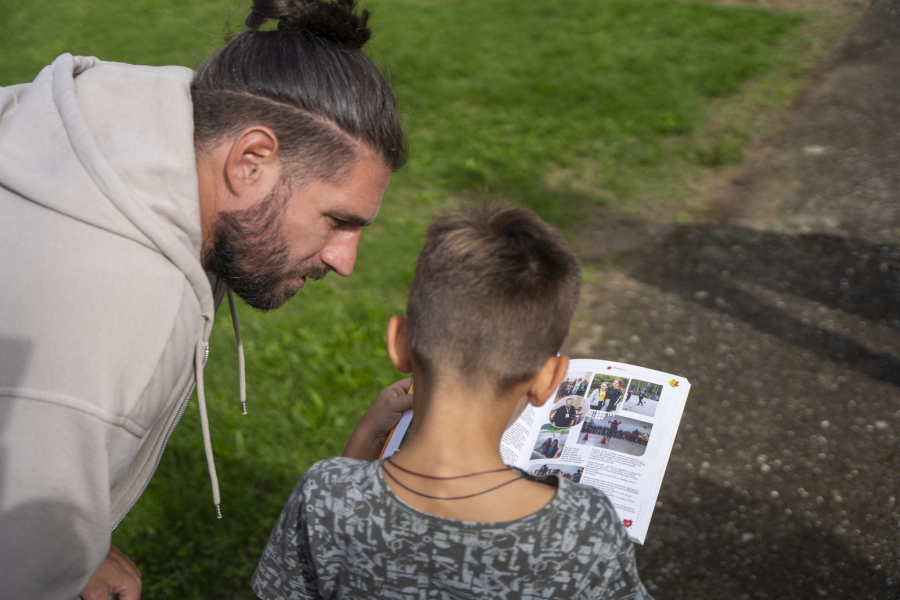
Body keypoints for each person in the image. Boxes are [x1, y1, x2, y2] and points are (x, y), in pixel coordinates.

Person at [0, 1, 414, 598]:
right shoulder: (121, 321)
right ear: (251, 161)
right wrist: (45, 559)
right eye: (337, 220)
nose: (344, 261)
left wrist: (70, 535)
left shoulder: (117, 123)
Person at [252, 205, 650, 599]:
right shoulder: (584, 527)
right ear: (548, 379)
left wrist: (366, 437)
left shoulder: (325, 495)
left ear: (399, 343)